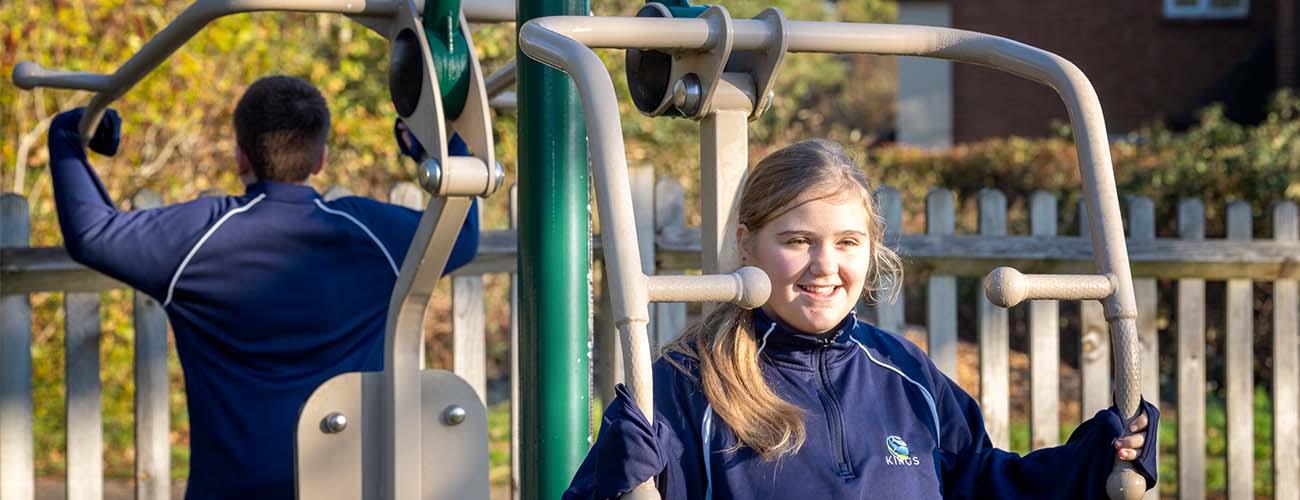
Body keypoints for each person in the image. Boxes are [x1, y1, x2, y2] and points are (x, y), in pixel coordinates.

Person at [564, 139, 1158, 499]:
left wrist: (1101, 456)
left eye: (848, 242)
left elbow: (985, 486)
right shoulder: (688, 383)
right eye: (798, 240)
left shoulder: (903, 373)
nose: (826, 266)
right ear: (746, 244)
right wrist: (607, 485)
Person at [46, 75, 479, 499]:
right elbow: (462, 235)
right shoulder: (369, 235)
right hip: (345, 488)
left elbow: (91, 234)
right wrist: (431, 149)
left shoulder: (200, 239)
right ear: (320, 159)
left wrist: (66, 136)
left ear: (240, 156)